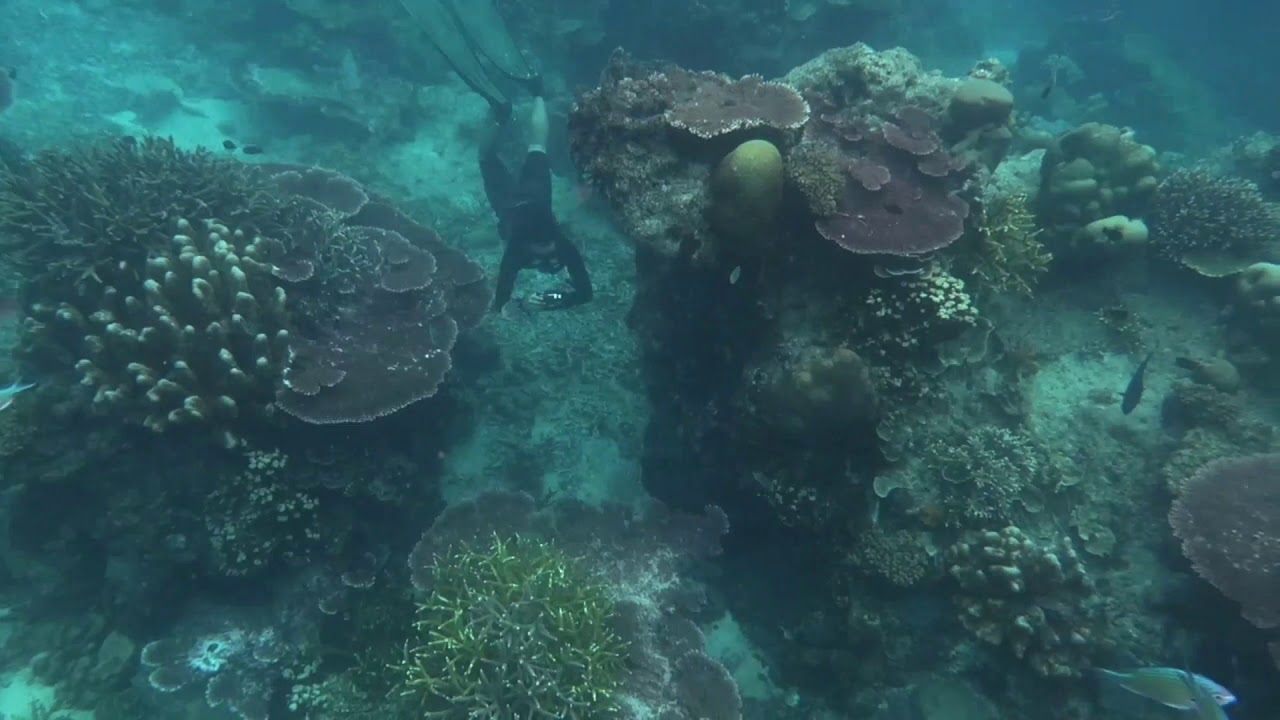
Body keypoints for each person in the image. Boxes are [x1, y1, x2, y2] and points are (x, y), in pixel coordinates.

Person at [479, 81, 593, 313]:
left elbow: (502, 296)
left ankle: (533, 94)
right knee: (490, 156)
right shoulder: (521, 252)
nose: (548, 252)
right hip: (509, 203)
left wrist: (554, 300)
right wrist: (537, 303)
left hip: (536, 196)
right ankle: (522, 103)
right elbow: (501, 300)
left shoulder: (541, 248)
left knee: (536, 146)